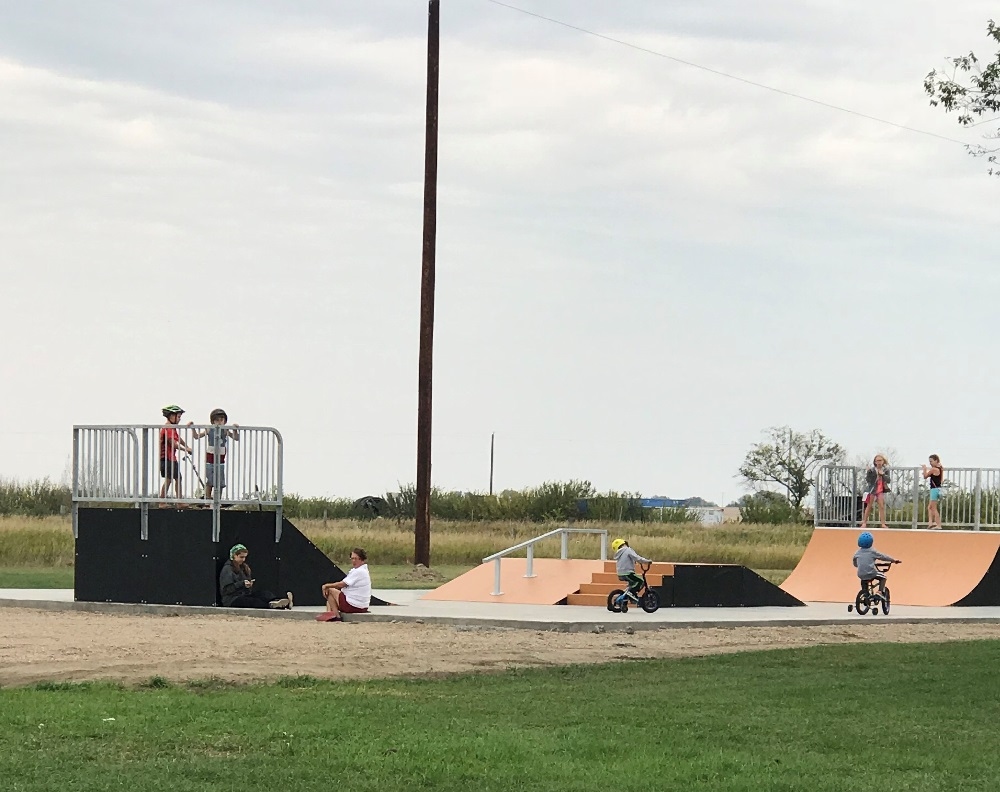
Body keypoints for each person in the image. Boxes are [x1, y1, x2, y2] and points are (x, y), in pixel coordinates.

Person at [219, 544, 292, 609]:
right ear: (234, 556)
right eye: (241, 557)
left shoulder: (243, 567)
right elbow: (226, 590)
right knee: (253, 602)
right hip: (232, 599)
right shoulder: (227, 569)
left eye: (245, 557)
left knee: (265, 594)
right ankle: (274, 605)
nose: (243, 560)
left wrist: (248, 585)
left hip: (244, 594)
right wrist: (242, 584)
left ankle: (279, 601)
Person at [191, 408, 240, 501]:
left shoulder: (225, 430)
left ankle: (218, 500)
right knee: (210, 480)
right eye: (217, 420)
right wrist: (193, 428)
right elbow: (197, 436)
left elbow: (236, 438)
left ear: (225, 421)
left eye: (221, 420)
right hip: (210, 457)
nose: (219, 422)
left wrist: (235, 430)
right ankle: (208, 498)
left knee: (220, 481)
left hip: (221, 459)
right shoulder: (209, 429)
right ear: (213, 421)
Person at [317, 547, 371, 622]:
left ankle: (335, 616)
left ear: (361, 559)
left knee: (329, 590)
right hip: (361, 606)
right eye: (352, 558)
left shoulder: (358, 571)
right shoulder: (363, 570)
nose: (353, 561)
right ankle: (329, 614)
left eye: (356, 559)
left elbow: (342, 584)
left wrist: (326, 585)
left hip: (353, 606)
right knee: (330, 598)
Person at [158, 405, 193, 504]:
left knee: (174, 478)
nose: (179, 419)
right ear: (171, 416)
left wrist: (186, 446)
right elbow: (173, 443)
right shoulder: (168, 428)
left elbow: (178, 439)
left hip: (171, 458)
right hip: (167, 458)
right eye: (178, 417)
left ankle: (172, 501)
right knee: (173, 479)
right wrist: (186, 449)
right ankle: (169, 502)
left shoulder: (172, 428)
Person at [852, 531, 901, 596]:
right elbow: (883, 557)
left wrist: (859, 565)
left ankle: (865, 593)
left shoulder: (857, 553)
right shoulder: (872, 552)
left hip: (861, 574)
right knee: (883, 577)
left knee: (863, 580)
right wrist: (893, 560)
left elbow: (855, 564)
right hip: (871, 573)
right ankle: (879, 592)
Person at [611, 538, 652, 603]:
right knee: (641, 581)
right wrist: (647, 561)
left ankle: (625, 599)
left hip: (620, 573)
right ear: (624, 543)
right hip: (628, 573)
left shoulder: (619, 553)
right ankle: (632, 594)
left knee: (631, 584)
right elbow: (637, 558)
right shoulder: (627, 550)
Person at [860, 454, 891, 530]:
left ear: (883, 461)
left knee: (881, 506)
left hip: (881, 489)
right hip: (872, 490)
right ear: (875, 462)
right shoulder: (872, 470)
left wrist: (883, 474)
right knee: (869, 505)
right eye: (877, 460)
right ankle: (864, 522)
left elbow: (888, 480)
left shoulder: (886, 470)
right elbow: (868, 480)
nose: (879, 462)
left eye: (880, 460)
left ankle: (883, 523)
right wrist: (869, 472)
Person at [921, 454, 944, 530]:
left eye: (931, 461)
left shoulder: (934, 469)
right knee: (930, 507)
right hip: (938, 489)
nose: (930, 463)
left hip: (934, 489)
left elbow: (925, 476)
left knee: (933, 508)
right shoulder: (940, 468)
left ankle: (938, 524)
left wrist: (924, 469)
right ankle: (930, 522)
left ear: (936, 461)